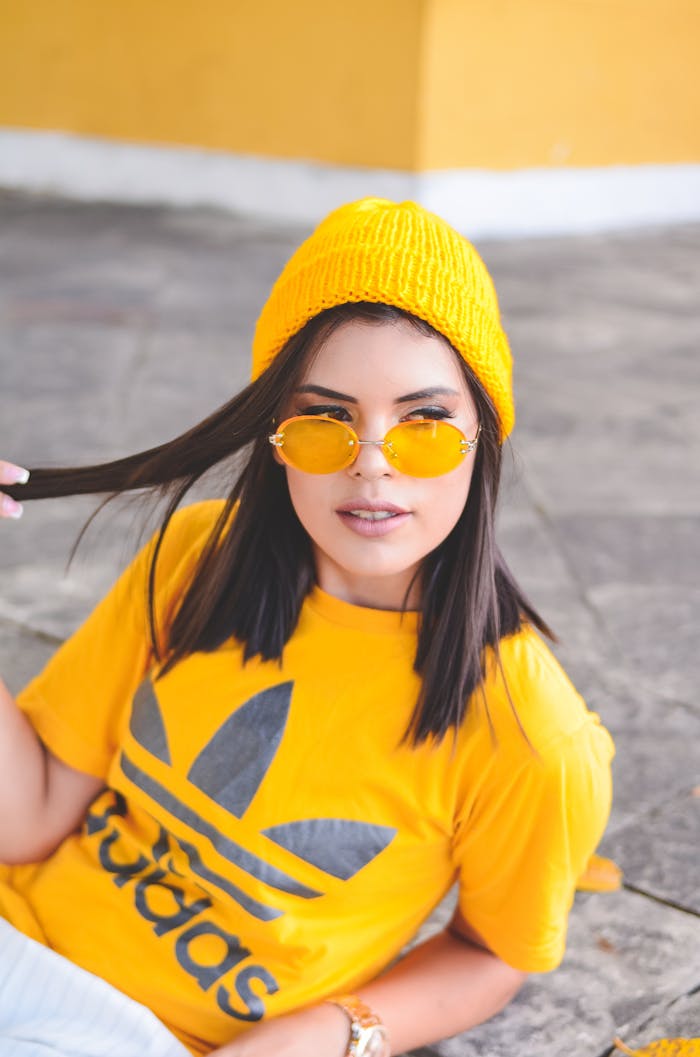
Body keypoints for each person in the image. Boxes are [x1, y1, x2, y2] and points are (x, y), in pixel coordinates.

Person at [0, 198, 615, 1057]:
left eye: (426, 423)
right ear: (275, 438)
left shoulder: (533, 738)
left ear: (485, 435)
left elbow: (492, 952)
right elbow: (27, 819)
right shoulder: (195, 557)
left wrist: (331, 1036)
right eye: (325, 418)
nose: (371, 459)